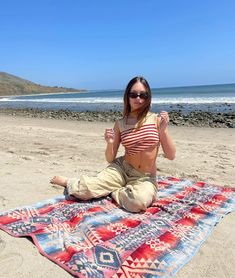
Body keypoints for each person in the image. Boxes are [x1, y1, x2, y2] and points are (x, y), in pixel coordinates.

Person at [50, 76, 176, 212]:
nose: (138, 99)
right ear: (127, 97)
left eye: (143, 95)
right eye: (133, 95)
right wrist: (110, 143)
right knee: (84, 191)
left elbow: (171, 155)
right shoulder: (120, 124)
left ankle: (113, 191)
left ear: (148, 97)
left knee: (137, 203)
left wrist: (163, 131)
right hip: (121, 169)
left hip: (144, 177)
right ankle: (69, 182)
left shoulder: (156, 120)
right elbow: (110, 158)